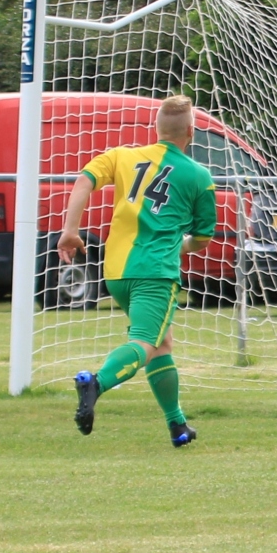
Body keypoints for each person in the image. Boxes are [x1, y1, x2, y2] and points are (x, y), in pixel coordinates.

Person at [58, 94, 216, 448]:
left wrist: (70, 230)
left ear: (156, 128)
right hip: (155, 271)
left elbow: (84, 180)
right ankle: (95, 382)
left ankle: (177, 426)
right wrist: (182, 244)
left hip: (116, 272)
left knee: (162, 342)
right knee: (145, 341)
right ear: (191, 131)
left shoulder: (122, 156)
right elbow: (204, 238)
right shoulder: (199, 176)